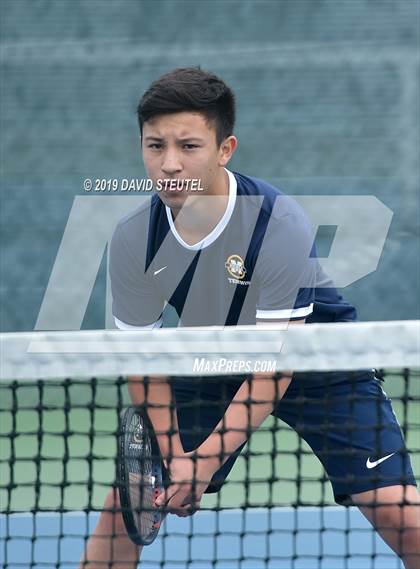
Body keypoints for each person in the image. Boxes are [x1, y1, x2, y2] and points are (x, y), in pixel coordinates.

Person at [80, 67, 419, 569]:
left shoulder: (276, 222)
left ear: (225, 149)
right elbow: (142, 359)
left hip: (316, 359)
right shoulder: (135, 238)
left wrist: (204, 463)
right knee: (128, 506)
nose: (169, 164)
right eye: (154, 146)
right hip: (211, 360)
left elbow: (272, 366)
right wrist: (175, 455)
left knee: (400, 515)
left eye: (189, 146)